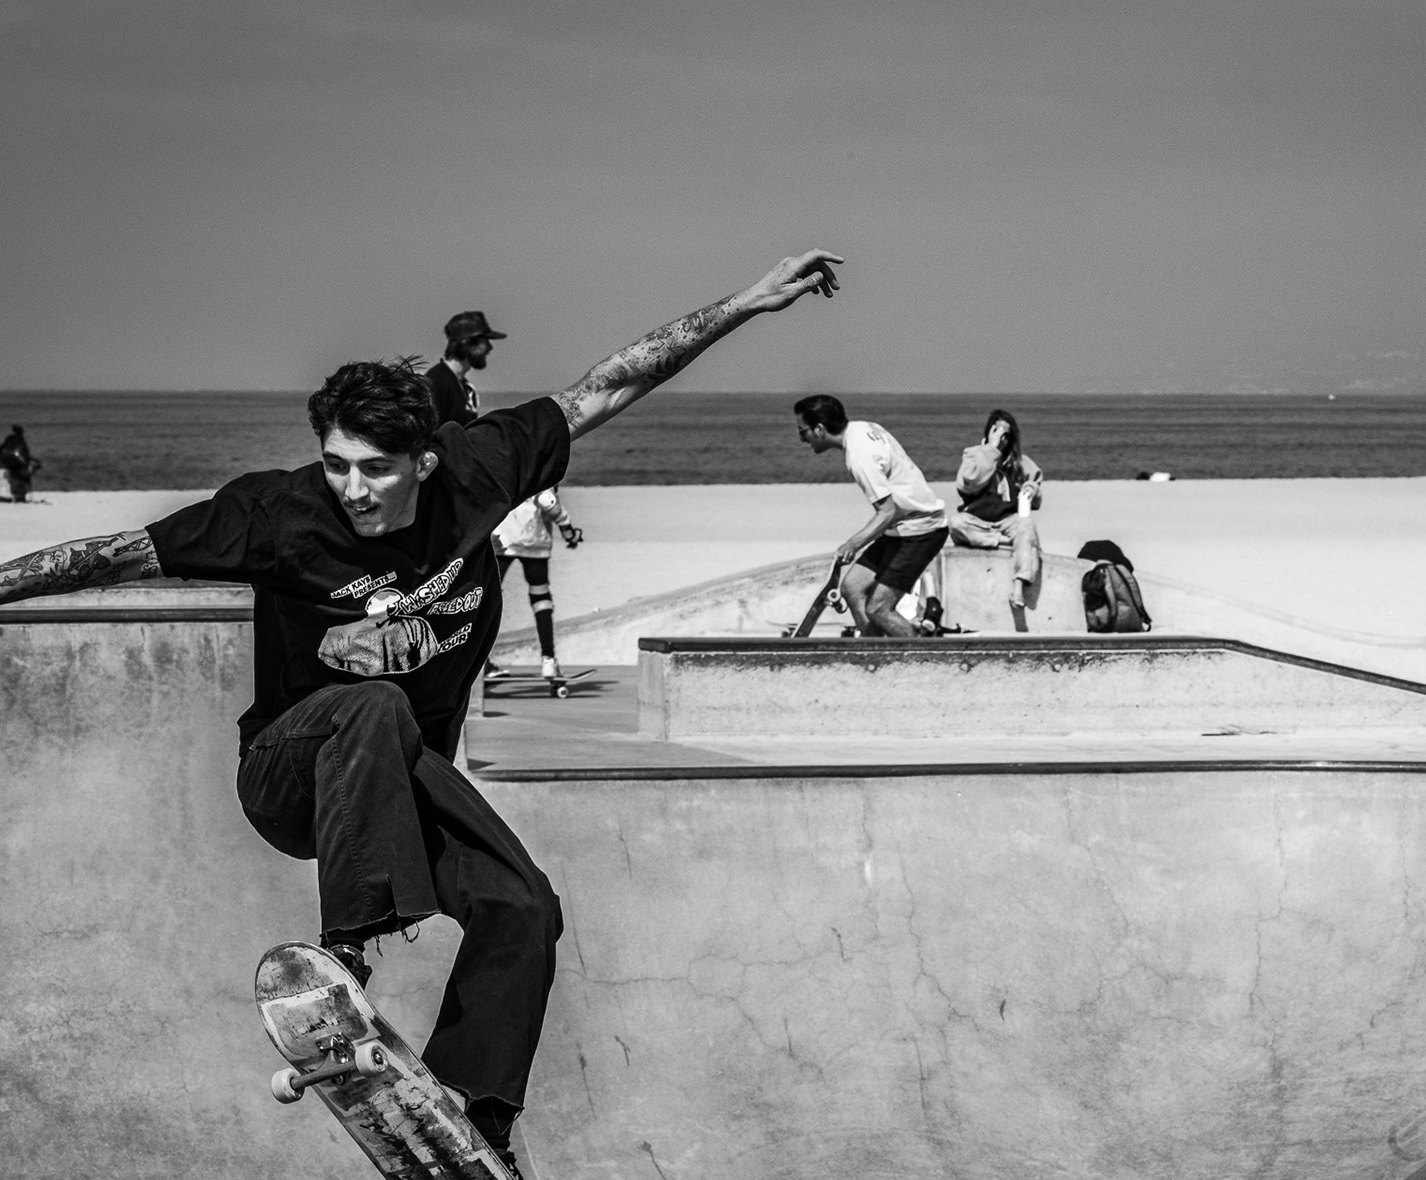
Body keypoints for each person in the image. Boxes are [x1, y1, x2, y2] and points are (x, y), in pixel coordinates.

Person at [0, 249, 843, 1175]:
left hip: (400, 785)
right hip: (291, 773)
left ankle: (470, 1121)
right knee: (367, 702)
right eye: (336, 466)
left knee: (523, 905)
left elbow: (610, 386)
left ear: (427, 459)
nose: (352, 490)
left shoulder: (482, 471)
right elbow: (113, 554)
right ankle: (347, 957)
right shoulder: (277, 515)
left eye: (375, 470)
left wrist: (747, 305)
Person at [794, 395, 947, 637]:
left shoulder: (859, 458)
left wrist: (852, 545)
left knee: (879, 608)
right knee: (852, 588)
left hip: (921, 531)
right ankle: (875, 657)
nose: (802, 439)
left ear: (820, 429)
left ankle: (923, 660)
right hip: (902, 527)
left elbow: (887, 512)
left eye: (803, 432)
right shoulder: (863, 427)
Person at [947, 408, 1044, 625]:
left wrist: (1031, 489)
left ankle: (1019, 584)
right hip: (978, 522)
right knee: (955, 523)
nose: (1001, 437)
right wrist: (990, 449)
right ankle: (1004, 543)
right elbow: (971, 481)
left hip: (1007, 521)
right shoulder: (973, 455)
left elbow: (1036, 492)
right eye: (997, 430)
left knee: (1026, 524)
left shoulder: (1020, 463)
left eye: (1006, 433)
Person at [488, 486, 583, 681]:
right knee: (541, 598)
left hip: (502, 540)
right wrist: (568, 530)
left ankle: (482, 662)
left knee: (488, 599)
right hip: (534, 541)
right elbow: (548, 500)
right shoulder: (540, 463)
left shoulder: (506, 462)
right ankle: (548, 659)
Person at [426, 311, 507, 427]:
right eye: (485, 342)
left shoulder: (462, 385)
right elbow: (430, 437)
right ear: (467, 343)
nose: (490, 348)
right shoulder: (438, 382)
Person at [1, 425, 38, 502]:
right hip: (19, 467)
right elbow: (25, 454)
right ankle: (20, 495)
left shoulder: (9, 439)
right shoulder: (20, 441)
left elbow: (3, 448)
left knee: (15, 479)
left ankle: (16, 494)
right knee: (21, 479)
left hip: (9, 465)